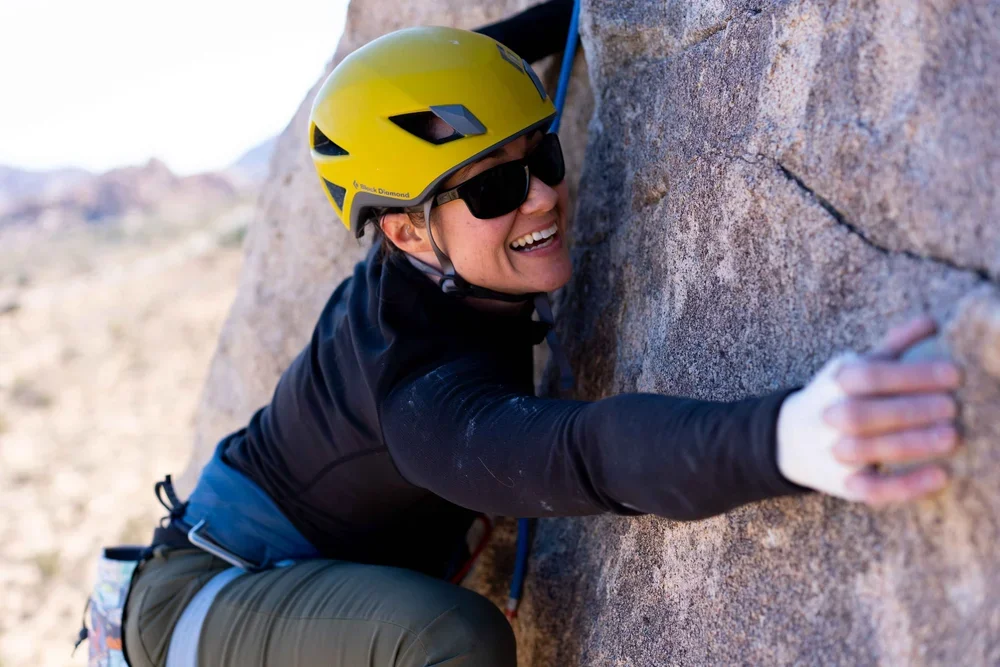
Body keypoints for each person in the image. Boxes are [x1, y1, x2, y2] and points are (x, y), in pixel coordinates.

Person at [119, 2, 963, 666]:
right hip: (203, 603)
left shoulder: (422, 228)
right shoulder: (421, 400)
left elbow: (460, 76)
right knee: (452, 637)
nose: (541, 197)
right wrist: (788, 437)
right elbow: (591, 453)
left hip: (254, 566)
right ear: (406, 231)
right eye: (494, 190)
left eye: (543, 156)